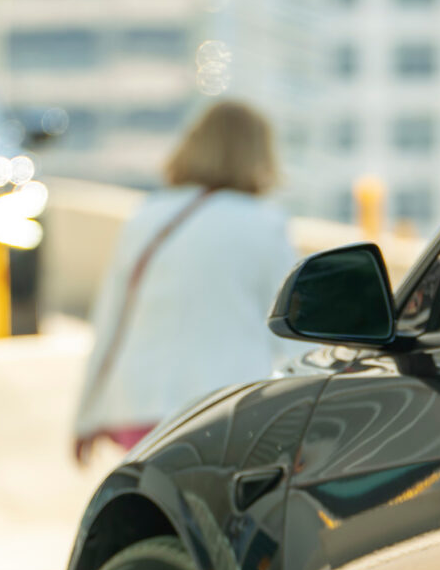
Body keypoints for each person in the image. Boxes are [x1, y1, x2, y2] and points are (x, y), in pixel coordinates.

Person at [73, 99, 292, 462]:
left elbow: (110, 320)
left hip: (141, 406)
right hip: (226, 408)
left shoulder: (146, 218)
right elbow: (295, 327)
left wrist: (85, 416)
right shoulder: (266, 225)